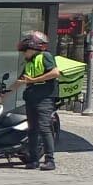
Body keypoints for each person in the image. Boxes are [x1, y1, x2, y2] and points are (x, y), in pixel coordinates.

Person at [16, 31, 60, 171]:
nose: (24, 54)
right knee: (32, 129)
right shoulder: (29, 62)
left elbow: (55, 73)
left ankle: (50, 160)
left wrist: (34, 80)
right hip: (31, 98)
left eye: (25, 51)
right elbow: (21, 80)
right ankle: (33, 160)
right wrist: (1, 95)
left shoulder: (45, 56)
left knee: (44, 128)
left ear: (33, 48)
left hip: (44, 98)